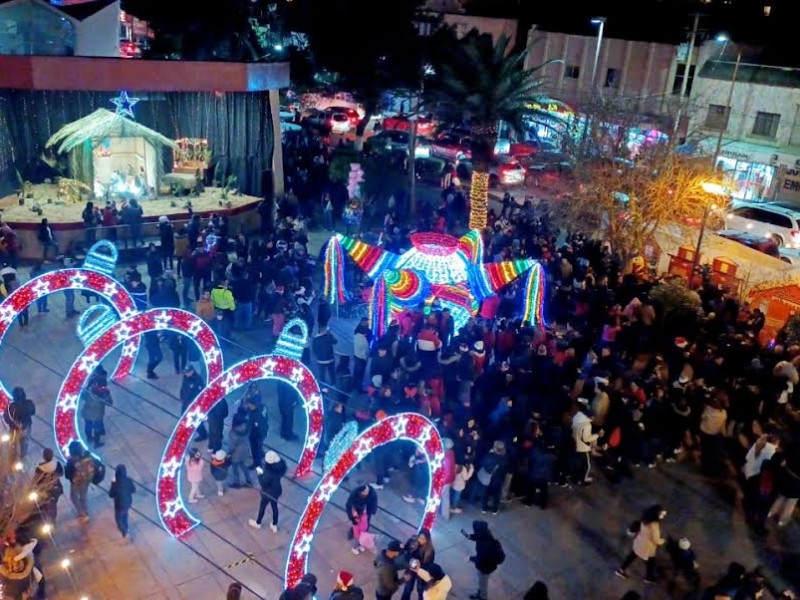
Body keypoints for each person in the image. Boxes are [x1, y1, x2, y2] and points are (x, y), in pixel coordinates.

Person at [615, 504, 667, 583]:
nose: (663, 516)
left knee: (632, 556)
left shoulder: (645, 518)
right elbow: (655, 539)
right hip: (647, 547)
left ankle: (621, 569)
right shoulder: (654, 525)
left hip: (639, 542)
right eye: (662, 514)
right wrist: (662, 541)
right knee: (651, 562)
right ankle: (648, 577)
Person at [463, 520, 504, 600]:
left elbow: (480, 559)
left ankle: (482, 597)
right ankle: (480, 593)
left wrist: (470, 558)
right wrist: (470, 537)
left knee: (483, 584)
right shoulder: (486, 534)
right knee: (481, 583)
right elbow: (478, 537)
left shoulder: (484, 546)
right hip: (489, 565)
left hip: (485, 568)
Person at [248, 450, 287, 532]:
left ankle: (258, 522)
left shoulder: (269, 472)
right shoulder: (280, 467)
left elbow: (263, 483)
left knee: (262, 507)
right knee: (274, 507)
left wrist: (259, 474)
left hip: (268, 493)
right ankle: (274, 524)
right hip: (277, 490)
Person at [64, 441, 95, 523]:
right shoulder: (87, 455)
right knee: (83, 495)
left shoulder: (71, 462)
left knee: (74, 497)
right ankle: (85, 510)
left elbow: (67, 474)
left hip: (76, 482)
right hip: (87, 479)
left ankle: (82, 513)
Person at [33, 448, 64, 524]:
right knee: (53, 505)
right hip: (56, 488)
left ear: (44, 456)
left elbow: (36, 481)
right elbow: (61, 473)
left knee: (46, 506)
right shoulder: (57, 464)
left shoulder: (39, 469)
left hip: (45, 490)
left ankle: (48, 521)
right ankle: (52, 520)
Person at [345, 484, 378, 554]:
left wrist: (372, 511)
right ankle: (356, 543)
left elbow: (373, 505)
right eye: (363, 495)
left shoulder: (372, 494)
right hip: (358, 514)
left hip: (364, 515)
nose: (365, 495)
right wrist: (352, 518)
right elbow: (349, 505)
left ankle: (360, 542)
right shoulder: (354, 494)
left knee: (363, 528)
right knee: (357, 530)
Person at [4, 386, 35, 458]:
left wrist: (12, 423)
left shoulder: (10, 406)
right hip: (25, 428)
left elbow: (6, 418)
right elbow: (33, 412)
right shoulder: (28, 403)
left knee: (12, 446)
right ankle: (22, 459)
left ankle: (12, 459)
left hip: (14, 430)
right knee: (24, 446)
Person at [108, 464, 136, 541]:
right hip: (128, 502)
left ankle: (125, 531)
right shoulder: (129, 480)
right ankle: (126, 527)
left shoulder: (115, 484)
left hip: (119, 504)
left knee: (118, 518)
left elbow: (111, 494)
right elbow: (134, 490)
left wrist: (112, 484)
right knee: (125, 514)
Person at [227, 413, 253, 488]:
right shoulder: (246, 429)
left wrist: (229, 453)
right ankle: (249, 480)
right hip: (245, 451)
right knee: (243, 465)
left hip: (236, 454)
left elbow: (232, 446)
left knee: (234, 468)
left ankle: (236, 482)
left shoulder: (233, 433)